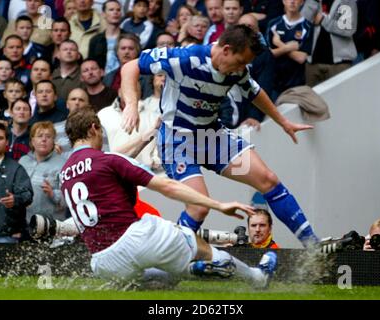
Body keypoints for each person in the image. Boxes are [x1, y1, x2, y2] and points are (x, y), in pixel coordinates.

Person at [29, 107, 277, 288]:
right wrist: (218, 204)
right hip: (135, 238)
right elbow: (167, 186)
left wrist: (147, 134)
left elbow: (113, 164)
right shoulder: (107, 160)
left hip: (102, 261)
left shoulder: (66, 172)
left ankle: (175, 273)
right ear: (94, 128)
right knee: (194, 242)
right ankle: (257, 278)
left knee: (160, 279)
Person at [121, 24, 319, 247]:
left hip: (211, 136)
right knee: (199, 207)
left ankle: (312, 248)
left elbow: (254, 92)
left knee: (268, 180)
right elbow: (130, 67)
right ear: (225, 50)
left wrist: (283, 122)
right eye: (240, 61)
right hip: (177, 141)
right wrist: (131, 105)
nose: (242, 68)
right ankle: (171, 259)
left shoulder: (237, 70)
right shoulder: (185, 59)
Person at [0, 121, 33, 243]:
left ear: (7, 142)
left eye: (0, 138)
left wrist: (16, 200)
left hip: (5, 235)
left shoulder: (16, 169)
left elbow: (28, 195)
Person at [19, 121, 66, 223]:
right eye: (40, 136)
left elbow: (68, 197)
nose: (44, 139)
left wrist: (53, 193)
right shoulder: (23, 161)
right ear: (32, 141)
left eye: (48, 136)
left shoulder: (63, 164)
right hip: (24, 224)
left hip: (51, 224)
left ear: (53, 141)